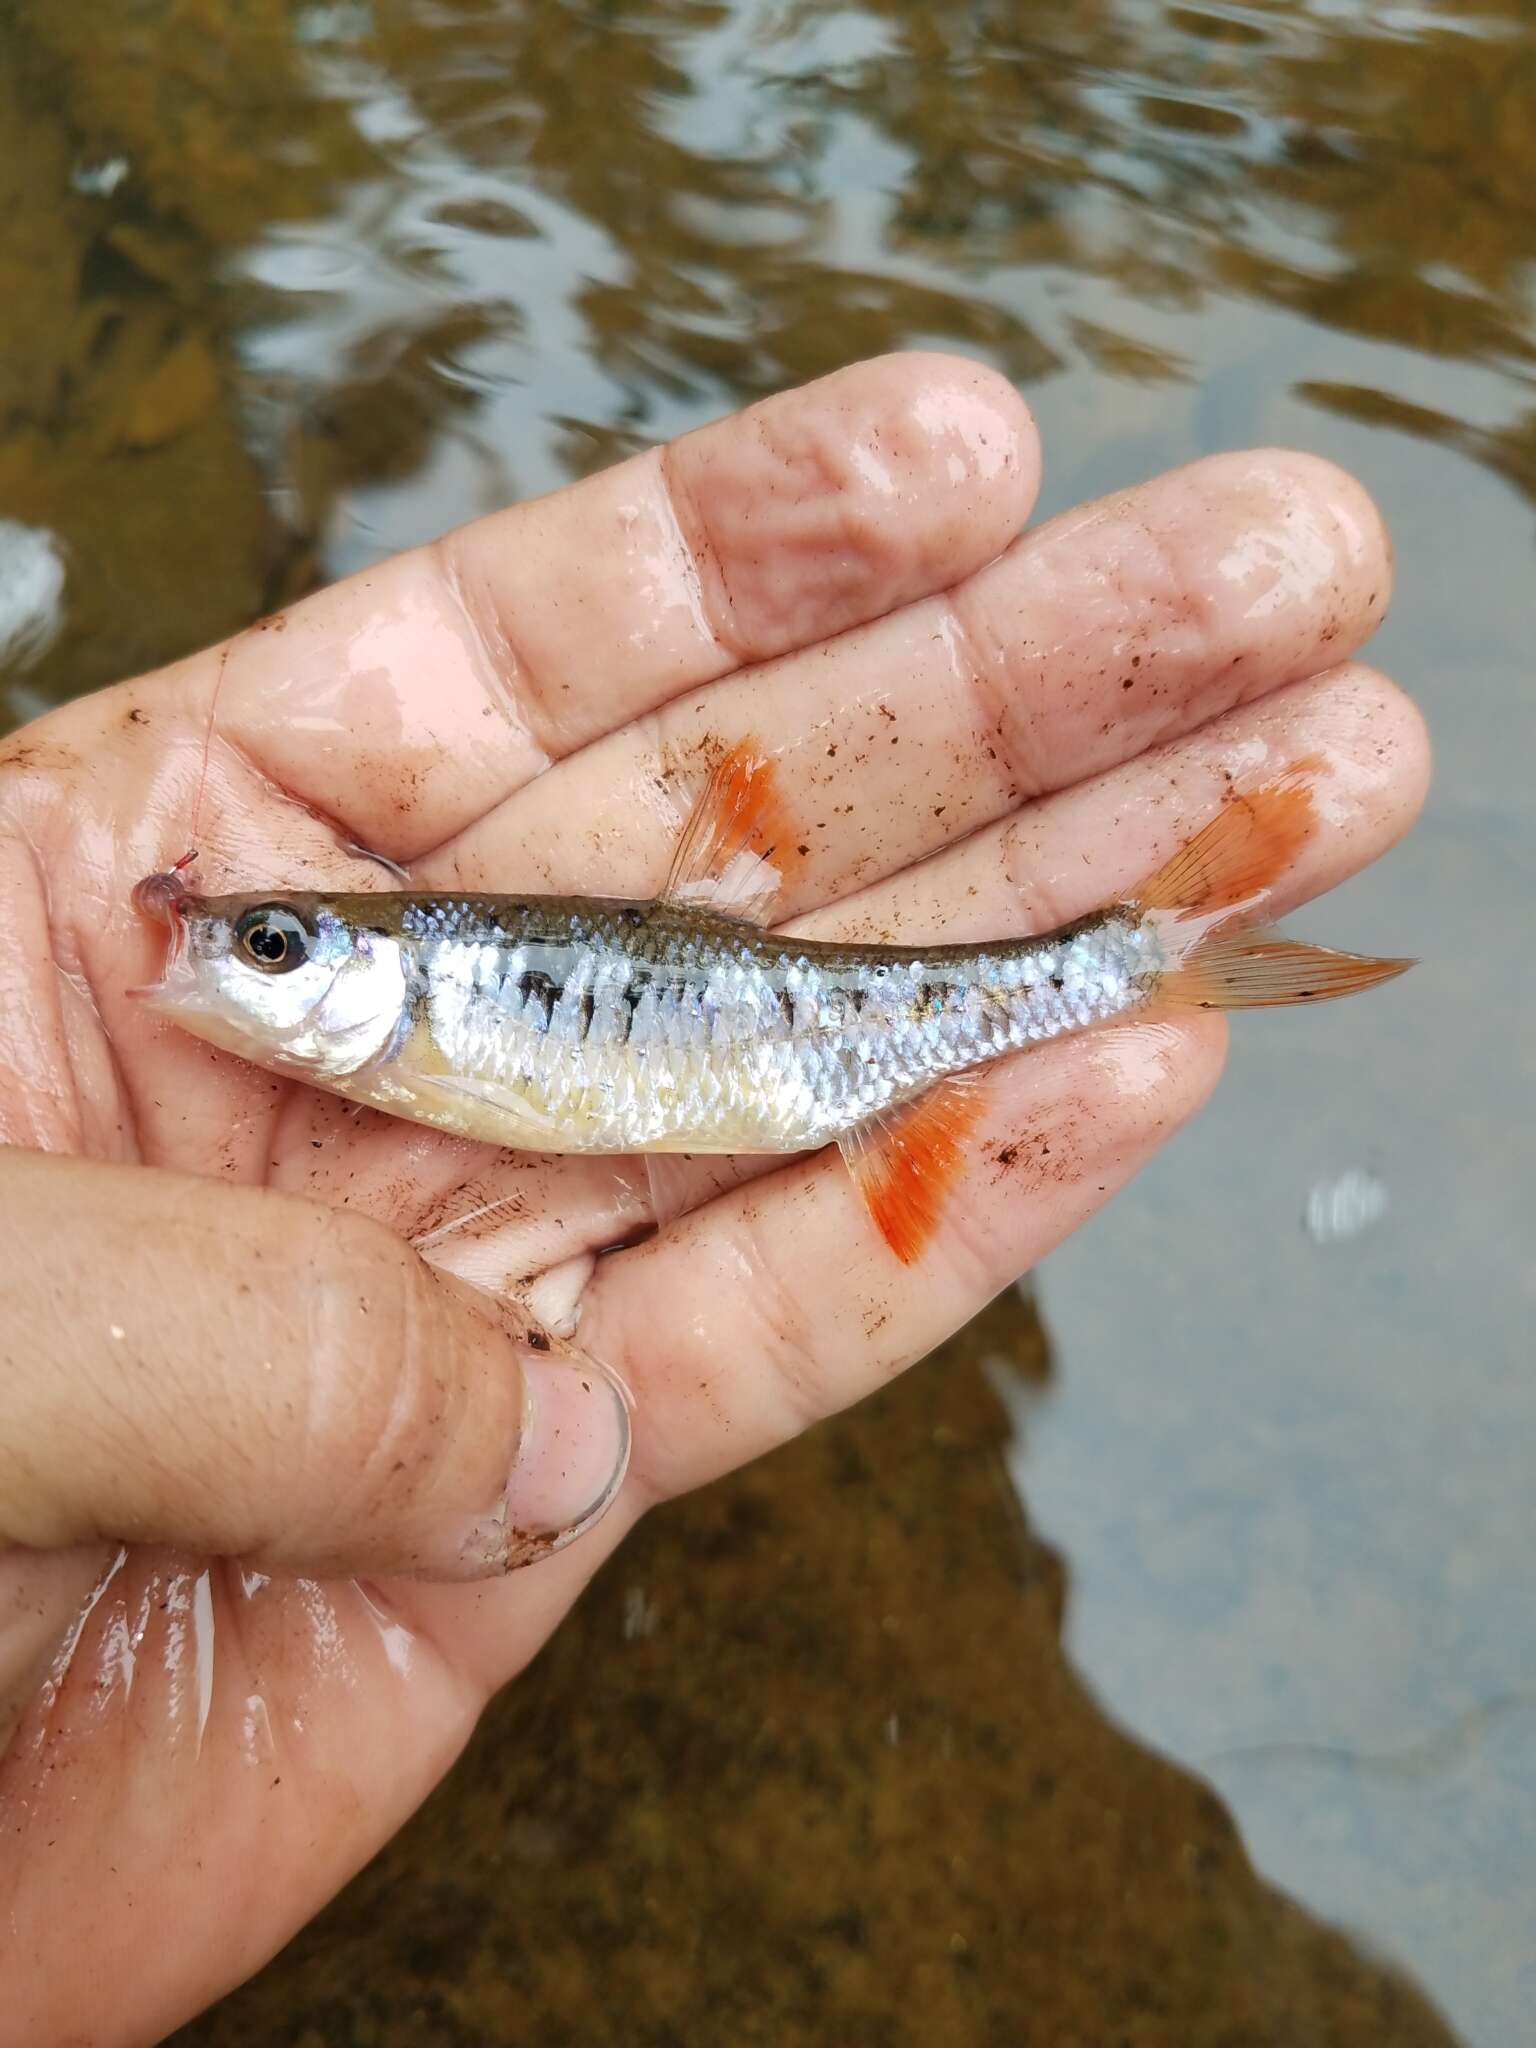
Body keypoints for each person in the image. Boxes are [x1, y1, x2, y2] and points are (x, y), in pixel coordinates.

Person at [0, 353, 1427, 2042]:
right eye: (267, 939)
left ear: (360, 961)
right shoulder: (379, 1037)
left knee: (1074, 1008)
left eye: (275, 943)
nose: (232, 961)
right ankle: (1142, 960)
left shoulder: (419, 1020)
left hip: (804, 1051)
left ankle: (1143, 959)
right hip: (787, 1053)